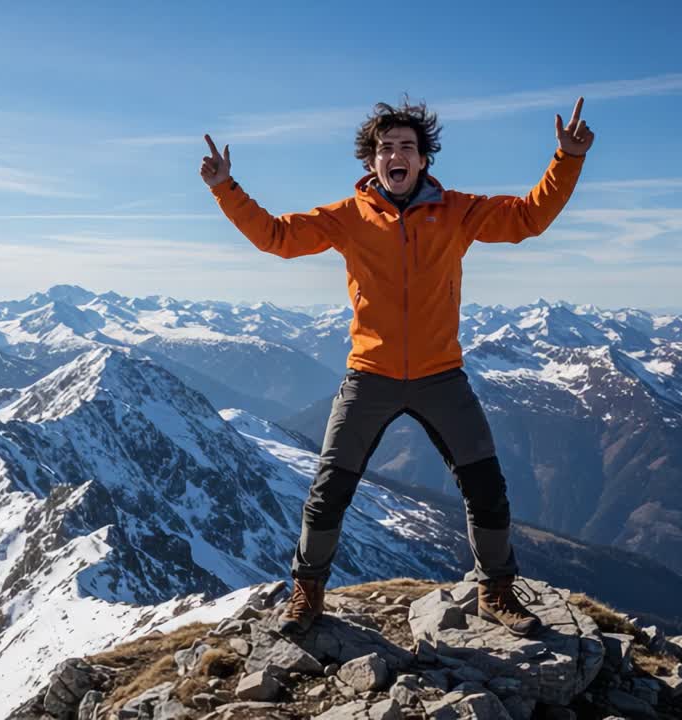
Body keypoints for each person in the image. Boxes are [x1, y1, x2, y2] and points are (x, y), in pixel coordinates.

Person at [200, 97, 594, 637]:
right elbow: (277, 237)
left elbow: (527, 218)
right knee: (329, 488)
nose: (396, 155)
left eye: (407, 146)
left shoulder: (458, 210)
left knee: (486, 485)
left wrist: (565, 160)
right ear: (372, 164)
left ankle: (495, 592)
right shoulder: (348, 216)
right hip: (371, 374)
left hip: (441, 376)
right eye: (386, 149)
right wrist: (226, 187)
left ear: (424, 159)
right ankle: (307, 593)